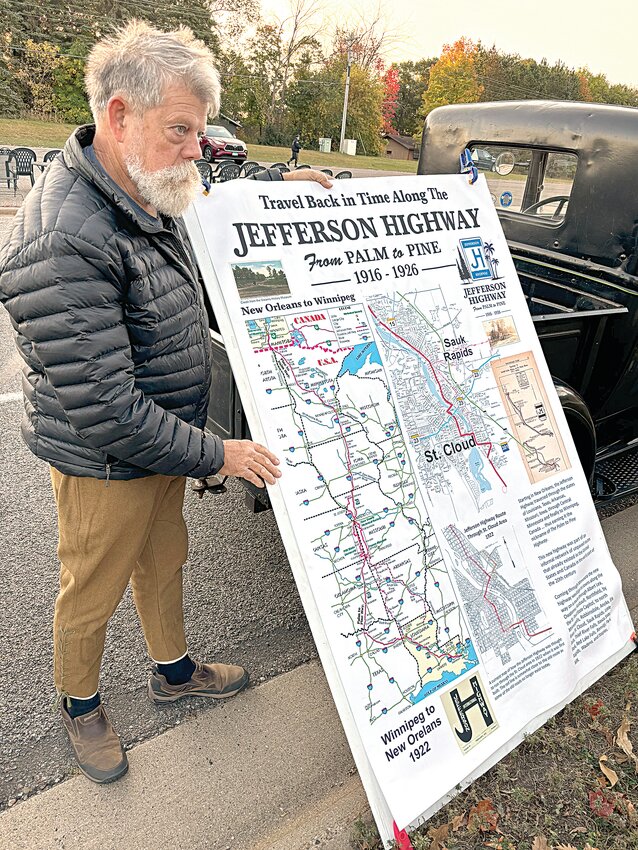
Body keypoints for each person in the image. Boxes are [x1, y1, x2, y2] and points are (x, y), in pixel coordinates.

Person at [0, 20, 331, 786]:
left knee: (164, 559)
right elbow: (108, 408)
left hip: (163, 443)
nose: (196, 149)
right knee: (94, 582)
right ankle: (80, 705)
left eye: (199, 130)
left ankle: (172, 672)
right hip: (108, 455)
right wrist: (222, 452)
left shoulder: (143, 181)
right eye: (181, 130)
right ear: (119, 116)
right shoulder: (65, 238)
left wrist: (277, 189)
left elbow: (206, 198)